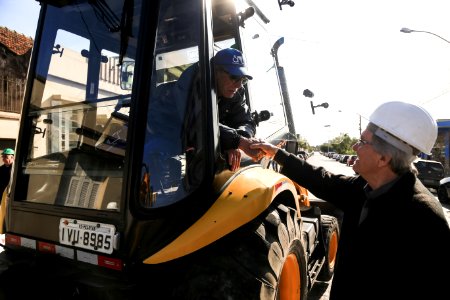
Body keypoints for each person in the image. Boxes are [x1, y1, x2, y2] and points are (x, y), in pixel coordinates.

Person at [250, 101, 450, 299]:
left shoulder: (424, 217)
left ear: (383, 158)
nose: (354, 147)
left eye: (363, 142)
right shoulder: (364, 187)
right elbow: (322, 180)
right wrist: (277, 154)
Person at [211, 47, 260, 171]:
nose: (238, 85)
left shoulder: (236, 91)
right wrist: (236, 141)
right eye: (234, 77)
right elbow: (196, 123)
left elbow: (245, 121)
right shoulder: (196, 85)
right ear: (216, 71)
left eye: (242, 79)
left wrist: (243, 139)